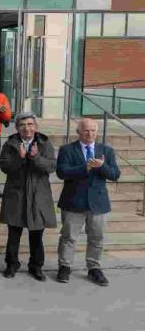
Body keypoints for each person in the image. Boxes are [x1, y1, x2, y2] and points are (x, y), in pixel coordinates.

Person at [56, 118, 120, 286]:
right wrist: (85, 168)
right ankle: (65, 266)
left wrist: (101, 167)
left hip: (98, 203)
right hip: (73, 201)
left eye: (93, 130)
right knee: (68, 237)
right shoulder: (67, 149)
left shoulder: (106, 150)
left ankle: (94, 268)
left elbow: (115, 174)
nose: (90, 134)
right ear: (78, 132)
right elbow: (62, 172)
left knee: (97, 238)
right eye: (86, 130)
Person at [0, 112, 57, 281]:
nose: (27, 128)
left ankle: (36, 266)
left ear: (36, 127)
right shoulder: (10, 143)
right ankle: (12, 264)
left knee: (37, 234)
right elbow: (5, 166)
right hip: (16, 194)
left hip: (38, 194)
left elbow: (51, 166)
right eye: (23, 125)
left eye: (30, 124)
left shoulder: (44, 143)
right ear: (17, 128)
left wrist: (35, 157)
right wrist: (21, 158)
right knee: (14, 233)